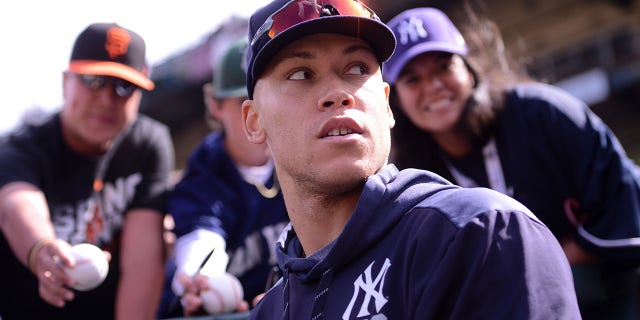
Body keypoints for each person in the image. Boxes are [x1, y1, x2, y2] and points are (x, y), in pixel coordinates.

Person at [240, 0, 581, 318]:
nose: (338, 94)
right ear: (254, 122)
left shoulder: (479, 234)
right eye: (301, 74)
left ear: (387, 105)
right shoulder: (270, 309)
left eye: (357, 68)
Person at [383, 6, 640, 319]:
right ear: (394, 99)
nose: (433, 85)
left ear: (469, 69)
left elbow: (625, 202)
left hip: (612, 282)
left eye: (444, 66)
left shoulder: (543, 113)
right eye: (412, 79)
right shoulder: (412, 178)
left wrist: (550, 257)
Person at [0, 23, 174, 320]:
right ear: (65, 82)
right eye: (93, 80)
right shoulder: (22, 146)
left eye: (124, 87)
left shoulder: (147, 144)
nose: (106, 99)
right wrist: (41, 249)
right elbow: (17, 206)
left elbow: (141, 261)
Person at [160, 36, 289, 318]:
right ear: (215, 104)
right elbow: (201, 239)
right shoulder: (204, 176)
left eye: (266, 95)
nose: (256, 112)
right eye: (244, 99)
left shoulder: (302, 155)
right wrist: (199, 280)